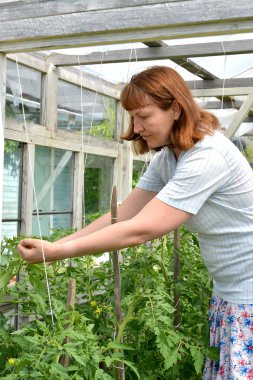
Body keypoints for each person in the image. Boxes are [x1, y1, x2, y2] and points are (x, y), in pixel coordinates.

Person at [17, 65, 253, 379]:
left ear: (175, 109)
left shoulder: (208, 156)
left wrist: (57, 254)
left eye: (143, 115)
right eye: (132, 116)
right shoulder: (169, 158)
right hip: (230, 292)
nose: (136, 126)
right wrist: (53, 247)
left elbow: (141, 229)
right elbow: (124, 214)